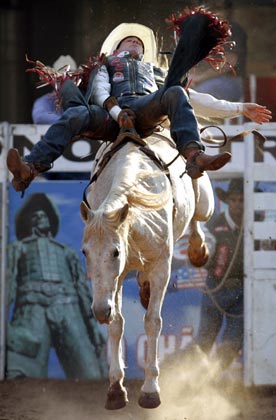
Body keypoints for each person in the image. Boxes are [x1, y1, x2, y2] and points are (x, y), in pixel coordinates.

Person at [6, 13, 272, 194]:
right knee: (75, 114)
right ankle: (30, 168)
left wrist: (239, 108)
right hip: (110, 114)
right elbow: (99, 90)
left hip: (147, 110)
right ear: (117, 48)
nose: (135, 42)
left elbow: (196, 100)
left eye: (139, 42)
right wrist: (117, 112)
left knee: (176, 92)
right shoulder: (105, 65)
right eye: (129, 40)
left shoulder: (155, 72)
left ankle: (195, 157)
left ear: (145, 52)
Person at [6, 193, 108, 379]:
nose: (39, 218)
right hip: (32, 308)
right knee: (22, 374)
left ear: (50, 221)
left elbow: (82, 290)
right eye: (35, 216)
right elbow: (8, 284)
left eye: (43, 215)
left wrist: (93, 328)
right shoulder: (18, 248)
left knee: (90, 374)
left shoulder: (66, 252)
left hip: (68, 308)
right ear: (28, 223)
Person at [193, 179, 244, 371]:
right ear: (228, 201)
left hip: (242, 290)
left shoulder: (254, 224)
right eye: (234, 200)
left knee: (233, 339)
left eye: (241, 200)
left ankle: (213, 378)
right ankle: (191, 377)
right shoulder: (214, 225)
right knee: (204, 338)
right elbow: (204, 253)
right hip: (215, 287)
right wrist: (202, 254)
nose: (238, 205)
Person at [191, 1, 247, 102]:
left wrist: (199, 78)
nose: (213, 12)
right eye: (210, 8)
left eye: (218, 8)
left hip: (229, 82)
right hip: (206, 80)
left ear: (228, 11)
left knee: (194, 97)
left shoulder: (232, 30)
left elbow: (229, 62)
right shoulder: (208, 31)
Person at [32, 55, 77, 124]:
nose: (65, 82)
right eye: (60, 79)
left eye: (70, 78)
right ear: (53, 80)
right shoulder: (45, 101)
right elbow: (39, 117)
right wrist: (68, 121)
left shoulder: (82, 100)